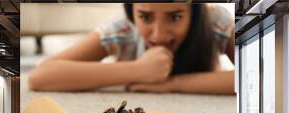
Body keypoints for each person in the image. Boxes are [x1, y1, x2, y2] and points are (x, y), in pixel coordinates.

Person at [29, 3, 235, 94]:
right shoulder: (122, 29)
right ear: (131, 13)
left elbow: (259, 78)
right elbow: (39, 76)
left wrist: (172, 83)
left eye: (175, 16)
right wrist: (138, 69)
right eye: (145, 17)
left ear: (195, 12)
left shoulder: (215, 20)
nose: (159, 35)